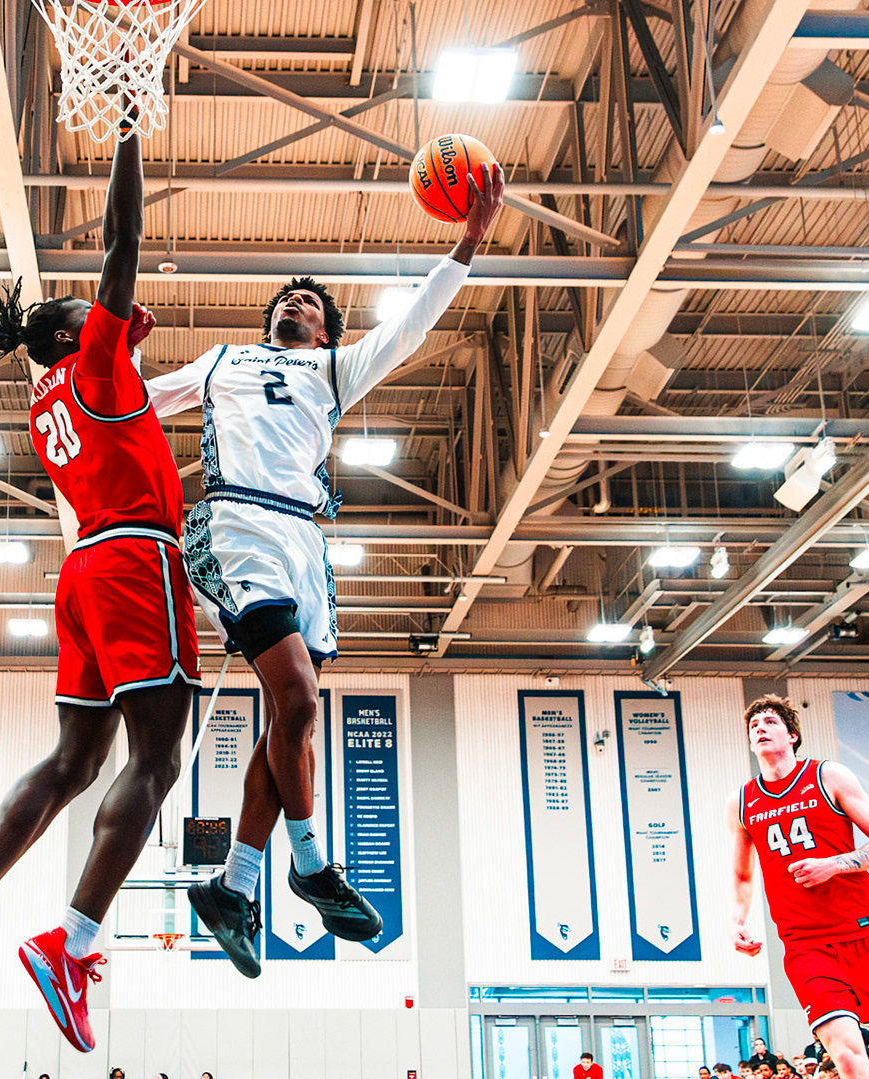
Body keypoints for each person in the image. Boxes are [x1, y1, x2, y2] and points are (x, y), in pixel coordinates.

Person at [147, 162, 506, 978]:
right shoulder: (221, 359)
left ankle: (235, 886)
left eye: (309, 301)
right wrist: (80, 365)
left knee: (292, 717)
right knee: (300, 699)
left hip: (304, 543)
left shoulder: (337, 369)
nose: (295, 302)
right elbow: (137, 400)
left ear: (324, 331)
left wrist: (468, 245)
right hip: (237, 522)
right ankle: (309, 863)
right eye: (287, 297)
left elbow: (411, 326)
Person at [0, 117, 196, 1055]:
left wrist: (125, 334)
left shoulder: (50, 395)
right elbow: (123, 242)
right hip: (136, 562)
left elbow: (119, 336)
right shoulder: (96, 364)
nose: (113, 307)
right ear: (79, 332)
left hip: (80, 574)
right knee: (156, 761)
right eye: (96, 310)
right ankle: (70, 943)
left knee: (75, 761)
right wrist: (129, 128)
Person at [731, 694, 869, 1079]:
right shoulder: (742, 802)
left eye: (770, 721)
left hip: (863, 931)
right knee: (846, 1055)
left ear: (792, 735)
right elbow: (743, 874)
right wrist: (737, 921)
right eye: (754, 725)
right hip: (805, 944)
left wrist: (832, 865)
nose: (760, 728)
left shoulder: (828, 776)